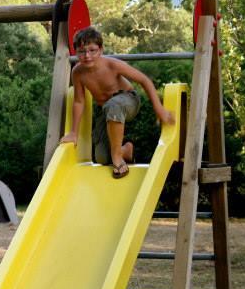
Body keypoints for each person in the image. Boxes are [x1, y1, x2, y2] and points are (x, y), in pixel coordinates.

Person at [59, 26, 175, 178]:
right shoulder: (78, 73)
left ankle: (118, 159)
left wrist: (159, 109)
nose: (87, 55)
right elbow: (79, 102)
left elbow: (144, 80)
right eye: (82, 51)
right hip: (107, 110)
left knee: (113, 105)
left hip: (128, 100)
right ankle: (125, 151)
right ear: (76, 52)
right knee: (101, 157)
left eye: (92, 50)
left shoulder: (112, 65)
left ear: (101, 50)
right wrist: (74, 133)